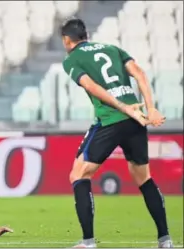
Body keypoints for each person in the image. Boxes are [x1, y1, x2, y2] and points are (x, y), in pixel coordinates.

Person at [60, 18, 172, 248]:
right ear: (86, 36)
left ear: (66, 40)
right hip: (137, 119)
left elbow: (91, 86)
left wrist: (122, 107)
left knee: (79, 175)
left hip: (111, 120)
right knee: (144, 178)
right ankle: (165, 239)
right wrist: (150, 108)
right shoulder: (113, 49)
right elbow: (139, 73)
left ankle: (88, 242)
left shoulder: (72, 59)